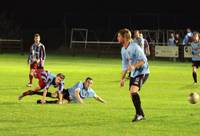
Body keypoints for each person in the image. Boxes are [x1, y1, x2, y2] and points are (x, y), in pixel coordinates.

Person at [117, 28, 150, 122]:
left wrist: (134, 66)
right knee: (132, 94)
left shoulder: (135, 46)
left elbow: (144, 60)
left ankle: (139, 114)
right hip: (134, 74)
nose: (118, 38)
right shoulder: (123, 49)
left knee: (133, 91)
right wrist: (122, 79)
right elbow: (124, 66)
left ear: (124, 37)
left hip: (143, 72)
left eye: (119, 36)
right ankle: (141, 114)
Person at [36, 77, 105, 104]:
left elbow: (96, 97)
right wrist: (82, 103)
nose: (89, 84)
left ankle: (44, 102)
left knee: (60, 103)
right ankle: (36, 92)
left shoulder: (90, 91)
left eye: (90, 83)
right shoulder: (80, 84)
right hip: (66, 93)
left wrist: (104, 102)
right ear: (85, 81)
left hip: (69, 99)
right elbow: (76, 93)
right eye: (88, 82)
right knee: (53, 95)